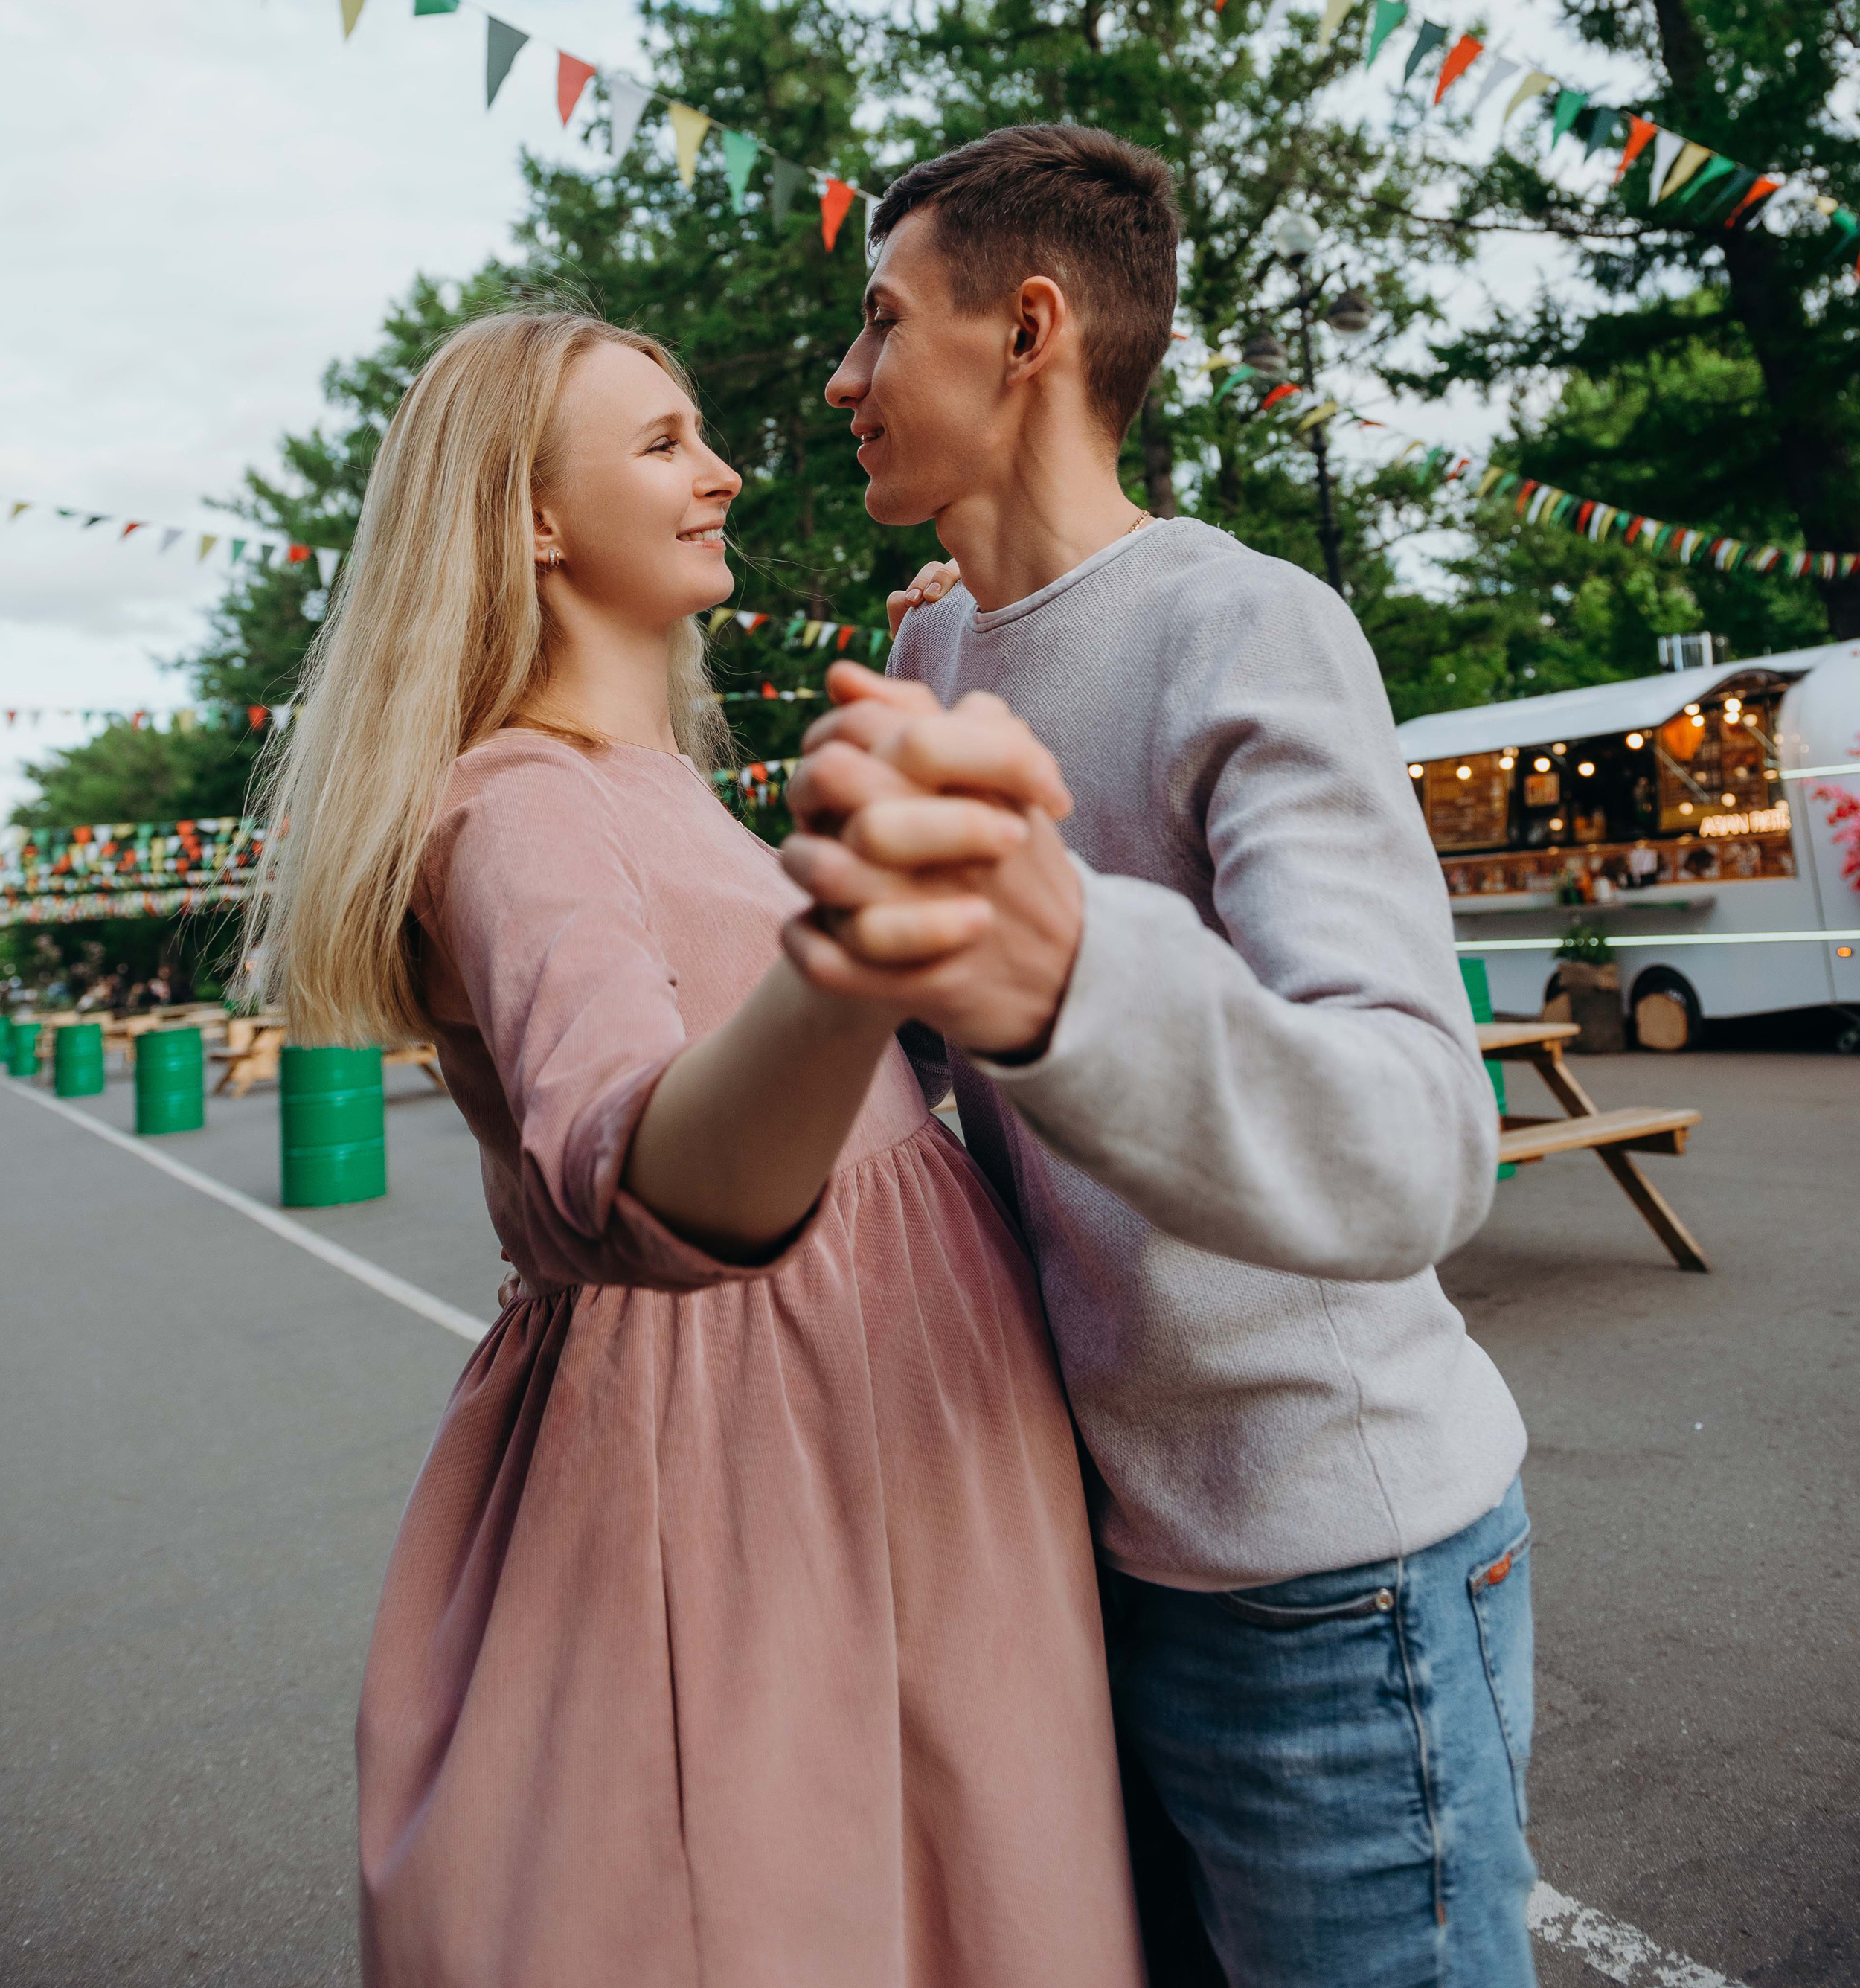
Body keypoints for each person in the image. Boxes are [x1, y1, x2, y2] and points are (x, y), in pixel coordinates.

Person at [245, 306, 1145, 1988]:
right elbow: (630, 1167)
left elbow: (885, 1086)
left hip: (893, 1441)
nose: (722, 470)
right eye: (660, 443)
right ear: (527, 512)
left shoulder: (664, 791)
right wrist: (857, 941)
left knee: (955, 1880)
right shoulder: (517, 803)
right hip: (749, 1466)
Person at [791, 123, 1538, 1988]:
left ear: (1025, 330)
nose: (843, 376)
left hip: (1333, 1579)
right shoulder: (940, 656)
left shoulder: (1245, 624)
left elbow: (1424, 1142)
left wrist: (1064, 976)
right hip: (1088, 1562)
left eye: (881, 325)